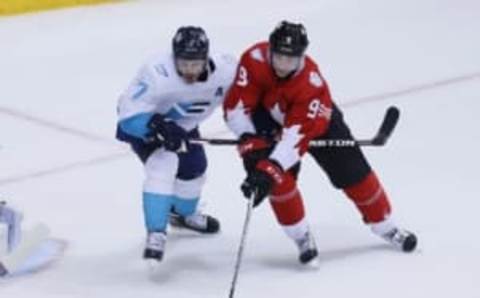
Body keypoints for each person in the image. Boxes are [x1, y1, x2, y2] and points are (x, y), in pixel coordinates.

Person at [223, 21, 417, 265]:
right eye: (279, 57)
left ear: (301, 57)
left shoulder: (310, 84)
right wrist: (247, 136)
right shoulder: (254, 58)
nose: (283, 65)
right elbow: (236, 106)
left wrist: (269, 169)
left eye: (290, 60)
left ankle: (385, 225)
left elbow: (294, 141)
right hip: (268, 119)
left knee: (354, 174)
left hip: (315, 125)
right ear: (270, 50)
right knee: (279, 185)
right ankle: (301, 235)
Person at [116, 26, 237, 263]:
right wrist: (158, 127)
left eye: (195, 64)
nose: (189, 71)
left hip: (182, 126)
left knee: (194, 169)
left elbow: (244, 100)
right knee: (164, 164)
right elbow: (128, 116)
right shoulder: (156, 73)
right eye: (184, 64)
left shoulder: (227, 70)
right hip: (144, 125)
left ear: (206, 58)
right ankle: (156, 233)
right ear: (174, 58)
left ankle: (182, 216)